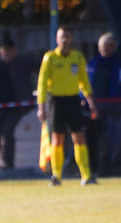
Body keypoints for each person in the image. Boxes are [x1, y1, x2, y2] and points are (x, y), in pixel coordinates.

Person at [36, 26, 97, 185]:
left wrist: (91, 103)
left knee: (79, 137)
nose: (64, 40)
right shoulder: (50, 58)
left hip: (73, 101)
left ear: (71, 39)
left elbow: (84, 82)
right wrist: (41, 107)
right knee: (57, 139)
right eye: (61, 37)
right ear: (56, 39)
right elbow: (42, 84)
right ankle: (56, 176)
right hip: (56, 101)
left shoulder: (77, 58)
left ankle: (86, 175)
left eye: (67, 36)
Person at [0, 38, 36, 170]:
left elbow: (38, 64)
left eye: (9, 51)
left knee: (7, 133)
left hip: (16, 108)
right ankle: (4, 161)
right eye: (4, 51)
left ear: (14, 51)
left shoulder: (21, 64)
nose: (7, 54)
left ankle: (7, 165)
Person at [87, 32, 121, 176]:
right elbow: (84, 83)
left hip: (114, 107)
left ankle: (113, 165)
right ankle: (96, 167)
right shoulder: (92, 64)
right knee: (96, 138)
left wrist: (120, 99)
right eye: (102, 47)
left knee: (114, 137)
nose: (105, 49)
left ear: (113, 47)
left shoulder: (120, 64)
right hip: (95, 107)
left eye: (108, 46)